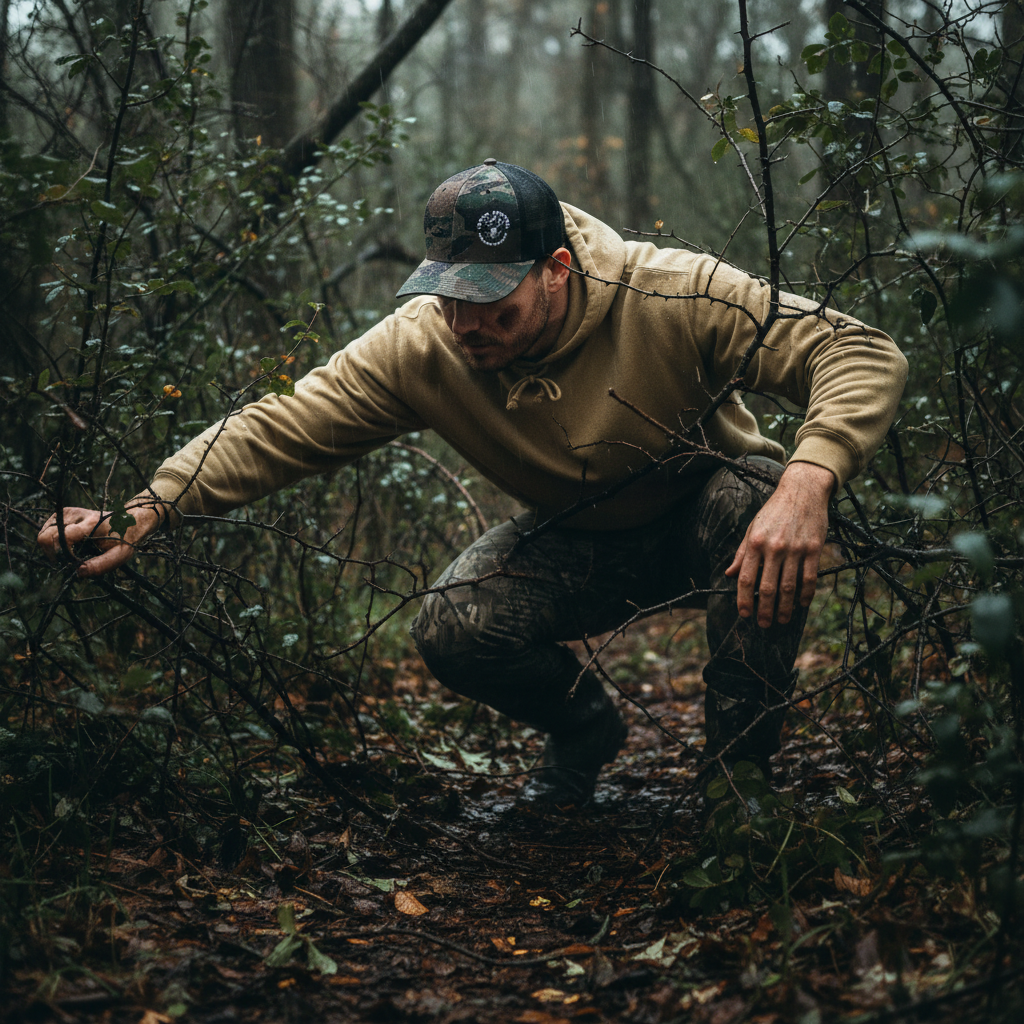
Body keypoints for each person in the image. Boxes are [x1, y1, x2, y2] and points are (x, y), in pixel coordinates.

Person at [38, 159, 908, 809]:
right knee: (453, 625)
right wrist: (151, 503)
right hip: (584, 545)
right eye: (449, 296)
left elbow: (858, 351)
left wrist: (810, 479)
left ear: (558, 270)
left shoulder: (671, 293)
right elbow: (286, 422)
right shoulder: (426, 342)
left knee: (758, 488)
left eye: (492, 300)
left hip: (711, 523)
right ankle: (585, 733)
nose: (465, 324)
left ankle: (735, 792)